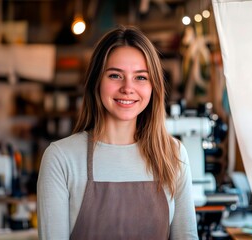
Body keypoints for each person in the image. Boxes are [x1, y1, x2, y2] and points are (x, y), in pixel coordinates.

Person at [37, 25, 198, 240]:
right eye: (115, 75)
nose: (127, 88)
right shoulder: (61, 158)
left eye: (141, 77)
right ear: (96, 82)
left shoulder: (173, 154)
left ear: (153, 87)